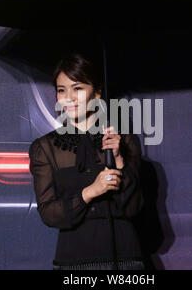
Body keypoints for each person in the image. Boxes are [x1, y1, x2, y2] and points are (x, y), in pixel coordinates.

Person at [28, 52, 145, 270]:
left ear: (97, 93)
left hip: (126, 261)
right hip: (74, 263)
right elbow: (49, 214)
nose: (68, 98)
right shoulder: (45, 148)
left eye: (78, 88)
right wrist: (91, 191)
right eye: (61, 90)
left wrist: (119, 159)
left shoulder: (123, 140)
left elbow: (134, 208)